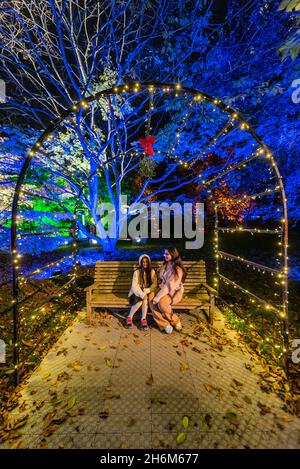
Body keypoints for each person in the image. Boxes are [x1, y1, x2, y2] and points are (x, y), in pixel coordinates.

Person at [150, 247, 186, 334]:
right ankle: (164, 324)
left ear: (173, 255)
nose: (165, 256)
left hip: (174, 292)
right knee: (150, 298)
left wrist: (158, 296)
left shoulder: (177, 269)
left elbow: (170, 285)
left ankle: (176, 321)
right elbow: (162, 279)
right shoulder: (165, 265)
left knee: (162, 303)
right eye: (165, 254)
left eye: (167, 254)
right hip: (163, 289)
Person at [127, 254, 157, 331]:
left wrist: (148, 290)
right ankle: (130, 317)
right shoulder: (137, 272)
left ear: (149, 262)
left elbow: (155, 283)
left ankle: (143, 319)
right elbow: (134, 286)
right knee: (141, 301)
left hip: (146, 291)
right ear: (140, 262)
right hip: (137, 292)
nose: (145, 263)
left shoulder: (152, 271)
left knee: (145, 300)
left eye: (146, 261)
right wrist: (142, 294)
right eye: (143, 262)